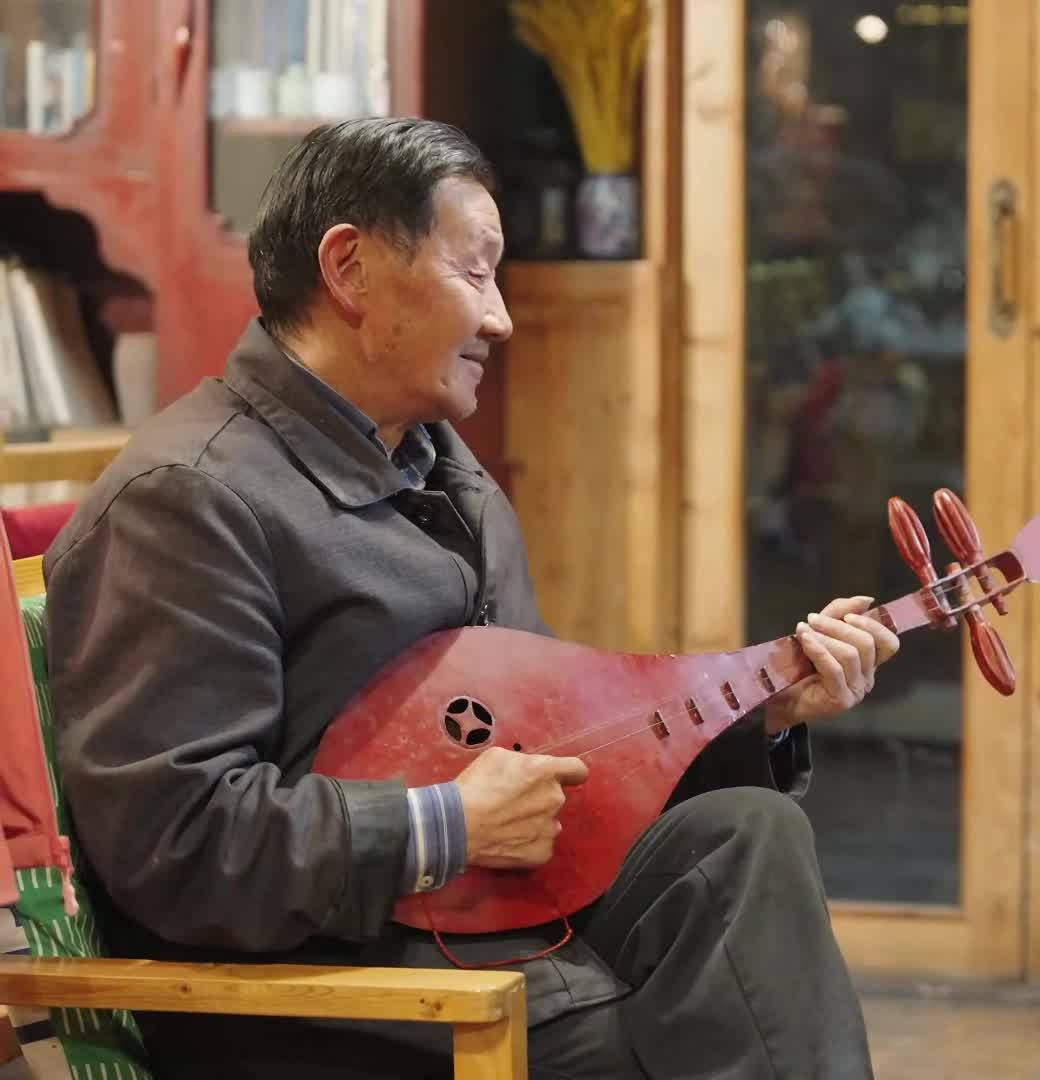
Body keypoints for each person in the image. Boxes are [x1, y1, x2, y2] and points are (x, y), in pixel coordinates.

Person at [43, 117, 894, 1079]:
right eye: (475, 272)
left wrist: (763, 709)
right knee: (706, 1031)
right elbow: (174, 840)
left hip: (493, 933)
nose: (502, 319)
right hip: (327, 988)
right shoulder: (190, 498)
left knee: (749, 834)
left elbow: (545, 758)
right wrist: (442, 825)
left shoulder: (447, 478)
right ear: (350, 269)